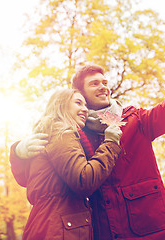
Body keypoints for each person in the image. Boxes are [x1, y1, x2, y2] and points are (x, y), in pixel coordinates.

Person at [10, 29, 165, 239]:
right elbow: (35, 180)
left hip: (151, 229)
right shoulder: (72, 133)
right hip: (104, 232)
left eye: (105, 82)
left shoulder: (134, 120)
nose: (103, 86)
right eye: (94, 84)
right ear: (79, 95)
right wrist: (19, 151)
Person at [16, 88, 122, 240]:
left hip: (49, 225)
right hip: (59, 229)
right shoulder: (61, 131)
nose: (85, 109)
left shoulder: (49, 131)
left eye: (85, 105)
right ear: (61, 105)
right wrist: (110, 143)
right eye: (78, 103)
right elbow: (83, 180)